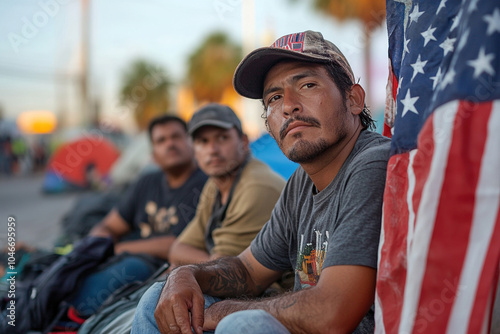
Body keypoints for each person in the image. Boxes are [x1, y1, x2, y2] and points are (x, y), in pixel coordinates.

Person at [132, 30, 391, 334]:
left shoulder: (373, 164)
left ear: (354, 99)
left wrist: (223, 310)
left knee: (243, 325)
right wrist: (186, 275)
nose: (288, 106)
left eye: (307, 85)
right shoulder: (300, 184)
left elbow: (331, 314)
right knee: (158, 298)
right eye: (274, 97)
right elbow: (247, 271)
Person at [69, 115, 208, 316]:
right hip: (124, 256)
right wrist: (96, 243)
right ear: (153, 154)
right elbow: (111, 225)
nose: (170, 144)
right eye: (161, 140)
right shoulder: (146, 182)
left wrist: (120, 248)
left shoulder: (205, 185)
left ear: (190, 142)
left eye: (176, 136)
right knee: (69, 272)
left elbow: (179, 244)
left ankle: (73, 318)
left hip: (161, 267)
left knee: (96, 289)